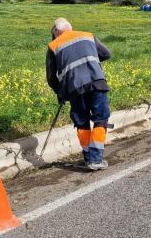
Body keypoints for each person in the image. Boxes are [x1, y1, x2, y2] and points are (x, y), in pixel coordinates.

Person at [45, 18, 113, 171]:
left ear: (56, 32)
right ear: (71, 28)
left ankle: (90, 157)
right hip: (97, 82)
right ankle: (94, 159)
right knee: (100, 119)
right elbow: (107, 54)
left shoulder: (53, 45)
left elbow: (51, 77)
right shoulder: (87, 35)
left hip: (74, 88)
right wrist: (93, 59)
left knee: (81, 121)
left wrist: (60, 94)